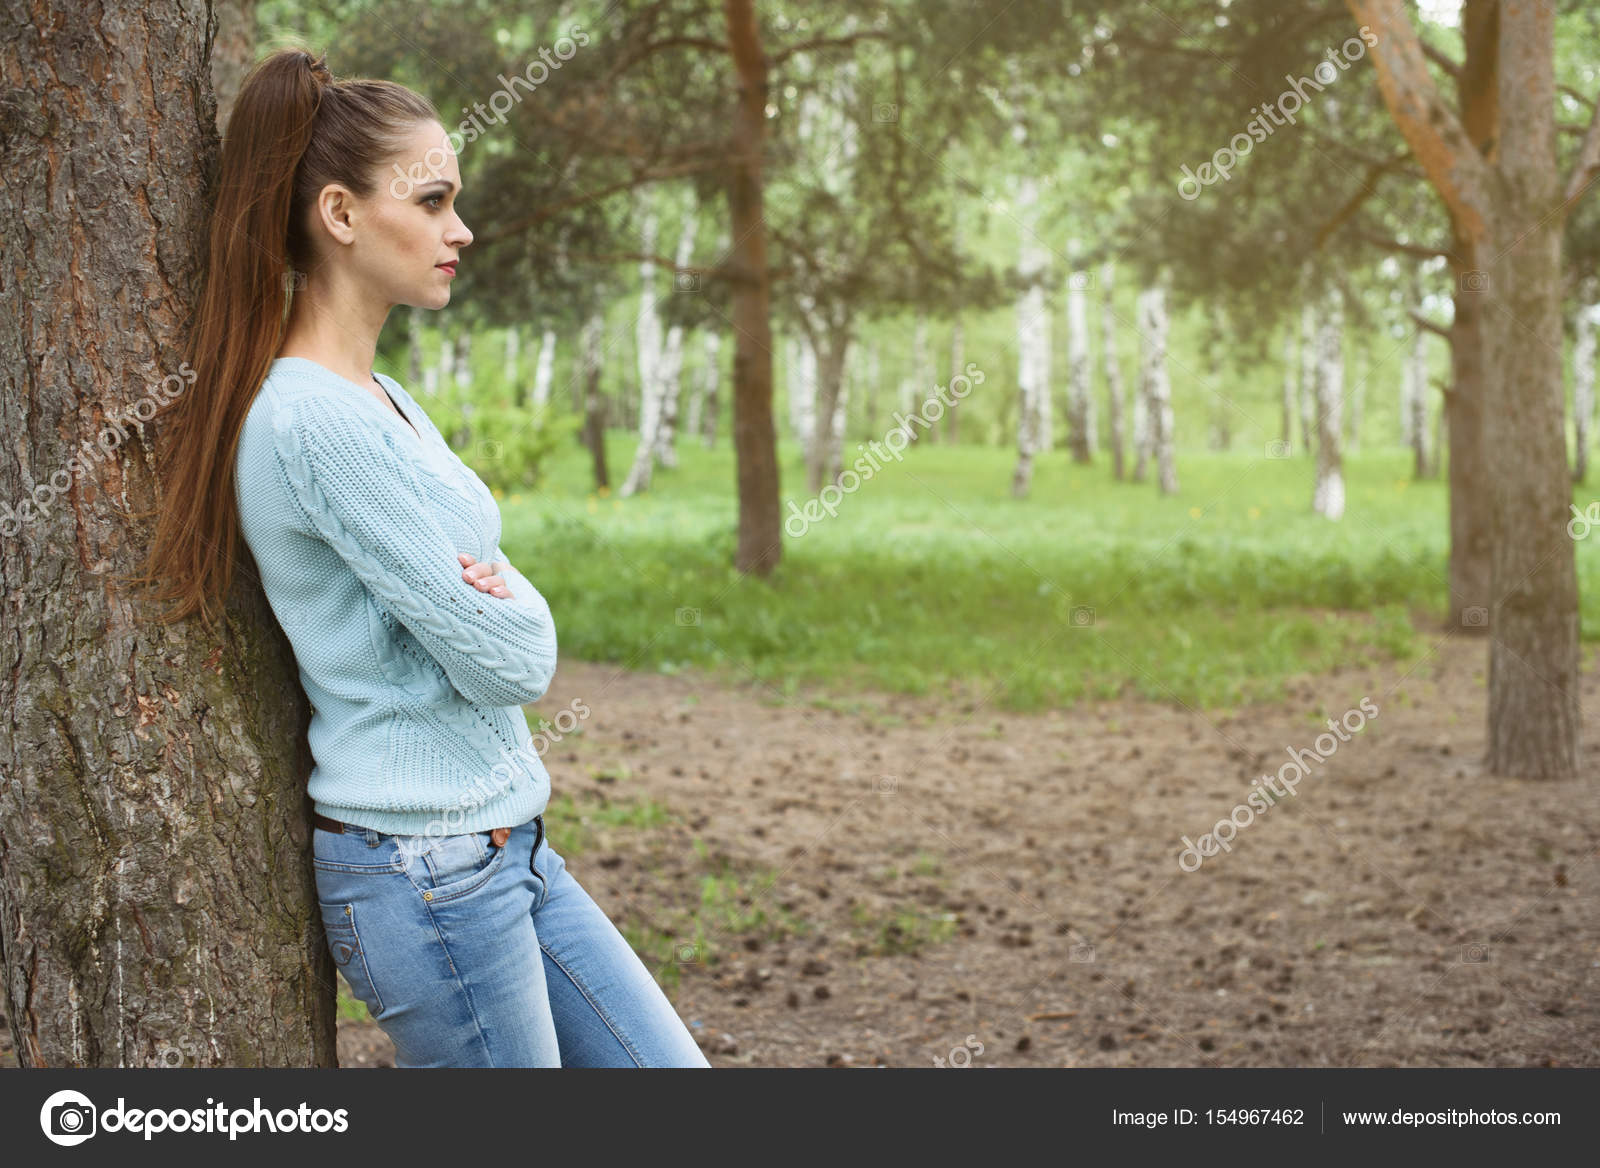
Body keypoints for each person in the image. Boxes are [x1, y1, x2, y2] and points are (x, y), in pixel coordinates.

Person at [131, 48, 709, 1068]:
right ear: (343, 216)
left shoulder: (385, 401)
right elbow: (512, 663)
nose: (461, 229)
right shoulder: (314, 425)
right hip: (426, 874)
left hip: (509, 847)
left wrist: (496, 595)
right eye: (434, 200)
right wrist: (515, 600)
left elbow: (485, 616)